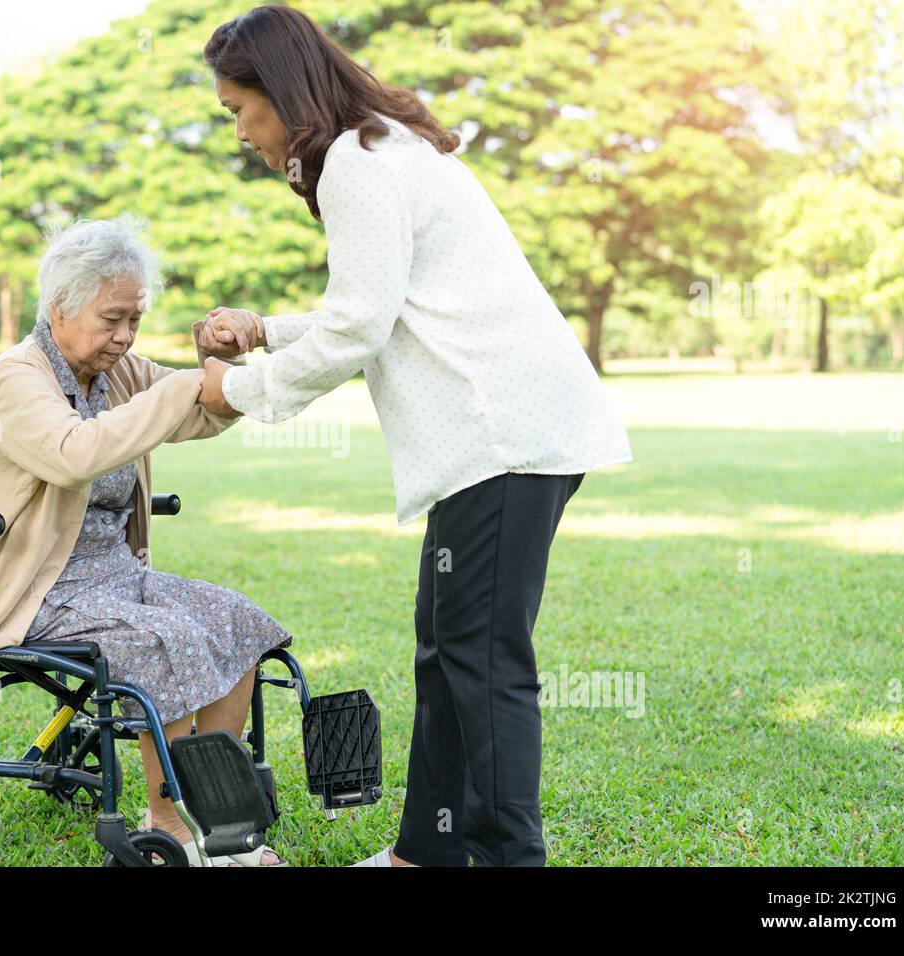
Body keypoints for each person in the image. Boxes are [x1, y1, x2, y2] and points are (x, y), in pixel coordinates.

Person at [195, 6, 633, 867]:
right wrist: (264, 331)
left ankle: (512, 858)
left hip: (500, 433)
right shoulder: (378, 147)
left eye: (239, 109)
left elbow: (360, 330)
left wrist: (237, 390)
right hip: (495, 436)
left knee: (484, 662)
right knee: (447, 651)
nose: (240, 132)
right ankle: (423, 854)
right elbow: (380, 305)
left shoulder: (358, 164)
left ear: (281, 92)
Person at [0, 215, 291, 866]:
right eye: (113, 319)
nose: (126, 336)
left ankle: (224, 825)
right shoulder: (16, 378)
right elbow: (75, 454)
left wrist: (222, 363)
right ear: (60, 308)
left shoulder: (116, 375)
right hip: (31, 588)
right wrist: (186, 385)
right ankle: (169, 827)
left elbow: (204, 411)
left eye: (135, 318)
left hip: (114, 574)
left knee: (240, 623)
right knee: (171, 639)